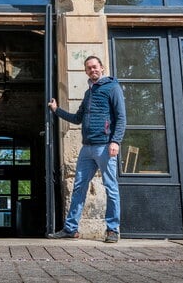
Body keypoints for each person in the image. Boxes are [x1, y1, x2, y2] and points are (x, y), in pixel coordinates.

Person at [47, 55, 126, 243]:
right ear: (86, 72)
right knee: (79, 188)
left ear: (102, 68)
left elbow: (121, 117)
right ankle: (71, 228)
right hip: (87, 148)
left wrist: (115, 141)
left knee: (111, 188)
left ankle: (112, 230)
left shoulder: (112, 87)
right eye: (89, 68)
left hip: (105, 147)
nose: (92, 70)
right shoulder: (89, 93)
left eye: (95, 67)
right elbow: (77, 118)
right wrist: (56, 110)